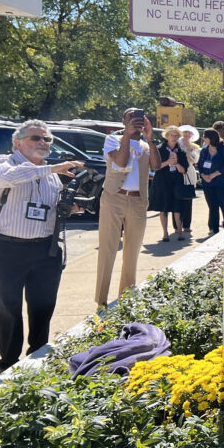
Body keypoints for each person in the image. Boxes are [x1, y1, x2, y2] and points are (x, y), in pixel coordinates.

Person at [0, 121, 83, 372]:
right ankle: (8, 364)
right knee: (8, 309)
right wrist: (53, 168)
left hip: (46, 250)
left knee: (43, 306)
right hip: (9, 250)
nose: (43, 143)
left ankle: (38, 357)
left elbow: (50, 210)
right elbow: (10, 179)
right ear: (18, 143)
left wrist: (71, 208)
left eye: (47, 139)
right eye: (35, 138)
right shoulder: (5, 163)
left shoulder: (52, 176)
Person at [95, 108, 161, 308]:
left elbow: (156, 166)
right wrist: (127, 135)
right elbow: (121, 161)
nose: (135, 120)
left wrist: (150, 139)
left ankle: (126, 298)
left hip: (138, 201)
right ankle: (101, 300)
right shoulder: (113, 140)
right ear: (123, 121)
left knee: (132, 251)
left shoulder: (145, 144)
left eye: (139, 117)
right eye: (130, 117)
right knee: (108, 248)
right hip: (114, 197)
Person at [148, 126, 188, 242]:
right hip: (162, 181)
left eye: (176, 135)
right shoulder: (159, 149)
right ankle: (165, 233)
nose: (174, 137)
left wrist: (176, 164)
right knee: (163, 208)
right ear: (166, 136)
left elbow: (184, 170)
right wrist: (168, 162)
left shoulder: (181, 151)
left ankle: (180, 231)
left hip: (176, 181)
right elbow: (155, 167)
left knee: (177, 208)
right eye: (171, 135)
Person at [198, 128, 224, 237]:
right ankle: (213, 228)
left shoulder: (223, 149)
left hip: (220, 182)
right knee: (212, 206)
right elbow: (200, 165)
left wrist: (214, 174)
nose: (203, 139)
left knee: (223, 205)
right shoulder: (204, 150)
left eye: (205, 137)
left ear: (211, 138)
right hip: (207, 183)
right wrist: (204, 176)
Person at [177, 125, 200, 233]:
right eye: (185, 132)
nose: (186, 134)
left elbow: (195, 159)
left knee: (188, 200)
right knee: (176, 199)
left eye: (189, 133)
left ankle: (186, 225)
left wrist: (190, 149)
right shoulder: (176, 144)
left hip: (189, 173)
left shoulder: (194, 146)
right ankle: (177, 224)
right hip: (177, 172)